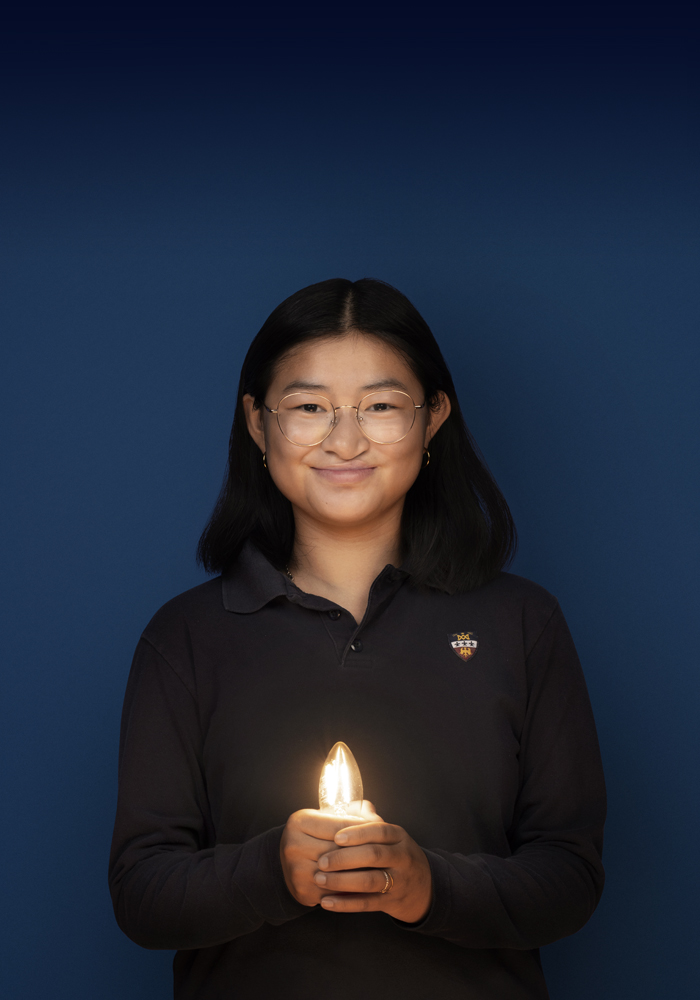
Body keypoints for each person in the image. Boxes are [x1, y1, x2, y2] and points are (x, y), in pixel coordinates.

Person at [109, 278, 606, 999]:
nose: (345, 440)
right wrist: (272, 869)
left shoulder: (521, 623)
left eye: (379, 406)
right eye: (309, 407)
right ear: (258, 423)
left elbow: (570, 875)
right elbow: (141, 894)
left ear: (433, 418)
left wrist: (424, 885)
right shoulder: (186, 638)